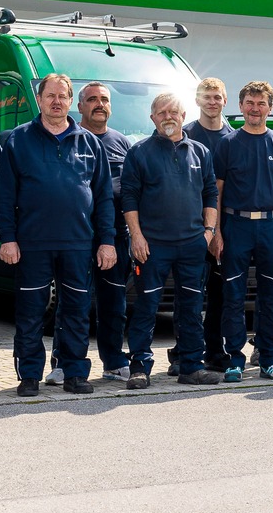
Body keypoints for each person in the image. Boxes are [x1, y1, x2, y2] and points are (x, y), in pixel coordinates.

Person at [0, 73, 117, 396]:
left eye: (62, 96)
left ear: (70, 101)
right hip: (32, 243)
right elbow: (6, 195)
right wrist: (7, 238)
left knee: (77, 312)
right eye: (50, 95)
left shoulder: (90, 143)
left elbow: (104, 196)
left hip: (79, 243)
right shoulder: (19, 140)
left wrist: (107, 241)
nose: (56, 101)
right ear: (39, 100)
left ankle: (75, 373)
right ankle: (29, 375)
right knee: (30, 311)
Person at [120, 92, 221, 387]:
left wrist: (209, 232)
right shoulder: (139, 153)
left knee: (191, 307)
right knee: (146, 307)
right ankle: (140, 367)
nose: (168, 116)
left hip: (191, 245)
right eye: (162, 112)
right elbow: (129, 198)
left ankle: (191, 367)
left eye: (174, 112)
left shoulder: (200, 152)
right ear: (153, 118)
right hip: (152, 246)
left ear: (182, 115)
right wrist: (136, 237)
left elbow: (210, 194)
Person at [215, 81, 273, 381]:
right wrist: (216, 231)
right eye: (250, 103)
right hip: (235, 224)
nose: (255, 108)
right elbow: (218, 190)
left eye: (261, 103)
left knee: (271, 296)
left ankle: (269, 359)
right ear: (240, 107)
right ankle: (235, 360)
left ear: (270, 107)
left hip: (271, 226)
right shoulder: (228, 143)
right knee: (233, 295)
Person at [79, 82, 135, 384]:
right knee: (72, 302)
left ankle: (113, 362)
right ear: (81, 107)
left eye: (104, 100)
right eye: (92, 100)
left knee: (114, 303)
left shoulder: (122, 143)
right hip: (77, 235)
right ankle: (65, 362)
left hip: (115, 236)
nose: (99, 104)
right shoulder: (72, 139)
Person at [184, 78, 237, 374]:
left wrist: (218, 231)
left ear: (225, 101)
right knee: (188, 294)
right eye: (207, 97)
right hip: (189, 229)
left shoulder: (235, 137)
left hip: (225, 230)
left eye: (218, 97)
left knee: (219, 294)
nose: (212, 101)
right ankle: (183, 353)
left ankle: (215, 351)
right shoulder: (186, 133)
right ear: (197, 100)